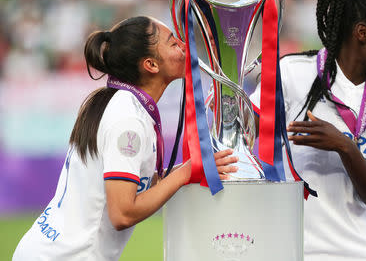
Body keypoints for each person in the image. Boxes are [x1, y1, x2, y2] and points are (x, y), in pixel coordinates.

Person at [13, 16, 238, 261]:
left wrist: (189, 170)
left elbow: (136, 184)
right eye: (173, 43)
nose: (184, 46)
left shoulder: (121, 104)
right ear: (151, 64)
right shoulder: (128, 118)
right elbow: (122, 213)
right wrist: (185, 172)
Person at [251, 0, 366, 261]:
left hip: (359, 253)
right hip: (289, 250)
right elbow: (245, 132)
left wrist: (345, 146)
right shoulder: (292, 73)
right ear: (363, 32)